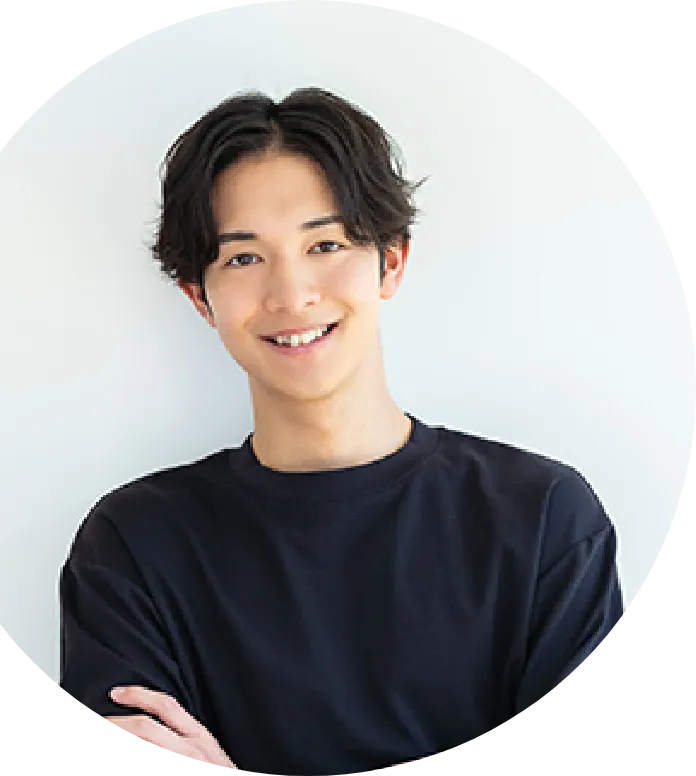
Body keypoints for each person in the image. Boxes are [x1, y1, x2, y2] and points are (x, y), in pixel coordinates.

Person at [58, 87, 624, 775]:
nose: (292, 294)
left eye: (325, 244)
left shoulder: (542, 519)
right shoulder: (132, 546)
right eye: (243, 258)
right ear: (200, 297)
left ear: (392, 261)